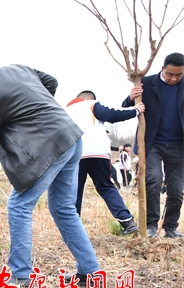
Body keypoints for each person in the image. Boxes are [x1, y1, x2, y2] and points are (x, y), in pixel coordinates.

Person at [0, 46, 100, 286]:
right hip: (71, 137)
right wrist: (33, 110)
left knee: (19, 205)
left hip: (52, 146)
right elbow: (51, 82)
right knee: (63, 208)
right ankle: (91, 271)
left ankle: (21, 275)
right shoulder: (18, 69)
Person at [122, 52, 184, 238]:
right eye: (170, 74)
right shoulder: (147, 83)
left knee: (176, 189)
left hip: (178, 145)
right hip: (152, 143)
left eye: (179, 75)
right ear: (162, 69)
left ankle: (170, 227)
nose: (174, 78)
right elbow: (125, 105)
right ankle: (150, 225)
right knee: (153, 180)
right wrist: (132, 97)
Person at [65, 90, 143, 235]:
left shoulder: (65, 110)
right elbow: (112, 114)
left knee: (75, 191)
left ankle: (73, 231)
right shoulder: (91, 104)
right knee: (106, 187)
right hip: (98, 152)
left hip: (74, 154)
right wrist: (135, 110)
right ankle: (126, 221)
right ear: (89, 98)